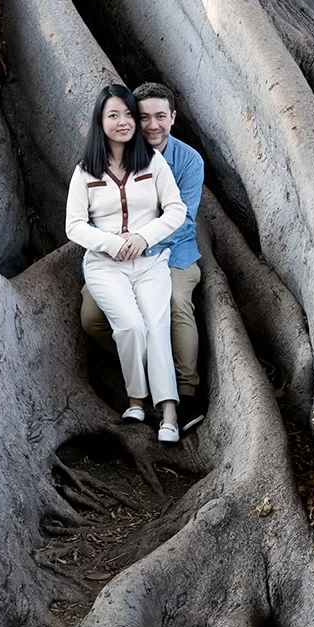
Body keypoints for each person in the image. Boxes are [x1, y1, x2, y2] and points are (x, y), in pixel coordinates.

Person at [81, 82, 205, 433]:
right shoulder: (108, 157)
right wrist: (113, 245)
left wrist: (142, 243)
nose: (152, 125)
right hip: (116, 258)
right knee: (92, 317)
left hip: (172, 253)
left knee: (177, 301)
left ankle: (186, 391)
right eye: (144, 116)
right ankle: (150, 369)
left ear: (173, 118)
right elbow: (88, 219)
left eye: (160, 117)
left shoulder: (187, 161)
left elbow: (184, 218)